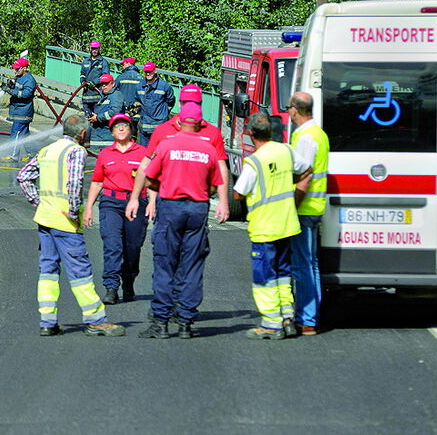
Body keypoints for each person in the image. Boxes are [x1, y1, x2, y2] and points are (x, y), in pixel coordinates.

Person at [17, 114, 125, 337]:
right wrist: (74, 210)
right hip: (64, 221)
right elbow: (74, 183)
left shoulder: (47, 150)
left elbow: (24, 176)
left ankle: (48, 321)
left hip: (45, 219)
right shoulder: (76, 152)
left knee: (48, 270)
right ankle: (96, 320)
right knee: (80, 271)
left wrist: (38, 201)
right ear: (83, 134)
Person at [126, 102, 225, 339]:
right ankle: (186, 322)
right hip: (198, 208)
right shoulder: (209, 148)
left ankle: (160, 321)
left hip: (171, 206)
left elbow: (149, 177)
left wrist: (166, 187)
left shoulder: (168, 145)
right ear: (200, 123)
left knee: (165, 262)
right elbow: (215, 184)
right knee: (192, 265)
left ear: (179, 122)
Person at [233, 112, 311, 340]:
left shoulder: (255, 161)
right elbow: (306, 169)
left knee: (264, 276)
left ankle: (271, 323)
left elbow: (238, 193)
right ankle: (287, 317)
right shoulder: (285, 151)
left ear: (251, 134)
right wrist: (290, 183)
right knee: (284, 273)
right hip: (287, 223)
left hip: (265, 227)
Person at [83, 113, 149, 304]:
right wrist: (89, 208)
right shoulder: (105, 154)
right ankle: (111, 287)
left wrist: (152, 203)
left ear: (131, 130)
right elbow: (96, 183)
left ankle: (129, 281)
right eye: (116, 126)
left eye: (124, 125)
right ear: (111, 131)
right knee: (112, 245)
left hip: (136, 204)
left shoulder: (142, 153)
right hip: (110, 203)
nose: (121, 128)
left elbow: (151, 181)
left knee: (133, 247)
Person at [143, 84, 230, 223]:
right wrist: (151, 200)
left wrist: (224, 202)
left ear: (201, 105)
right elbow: (150, 168)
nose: (190, 106)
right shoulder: (163, 130)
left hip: (197, 203)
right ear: (179, 103)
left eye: (195, 103)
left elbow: (222, 169)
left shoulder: (212, 133)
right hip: (168, 202)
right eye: (186, 102)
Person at [288, 91, 329, 336]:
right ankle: (312, 316)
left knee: (302, 266)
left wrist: (291, 207)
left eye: (289, 108)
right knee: (311, 265)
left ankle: (306, 319)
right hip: (317, 206)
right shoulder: (320, 134)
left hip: (304, 208)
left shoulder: (304, 137)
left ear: (295, 109)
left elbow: (303, 176)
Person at [2, 57, 37, 162]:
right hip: (17, 110)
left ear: (25, 68)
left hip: (23, 111)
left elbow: (27, 93)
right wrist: (10, 85)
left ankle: (13, 155)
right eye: (15, 68)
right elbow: (17, 87)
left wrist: (12, 91)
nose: (16, 70)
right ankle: (33, 154)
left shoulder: (29, 80)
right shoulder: (18, 77)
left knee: (16, 133)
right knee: (25, 134)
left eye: (18, 68)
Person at [136, 62, 175, 145]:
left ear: (155, 71)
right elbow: (137, 100)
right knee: (144, 153)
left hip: (159, 127)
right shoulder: (139, 86)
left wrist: (164, 112)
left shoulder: (164, 86)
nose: (148, 73)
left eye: (150, 71)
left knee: (159, 153)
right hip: (144, 127)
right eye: (146, 71)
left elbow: (171, 101)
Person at [87, 73, 124, 150]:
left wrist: (98, 117)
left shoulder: (116, 95)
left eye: (106, 83)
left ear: (113, 84)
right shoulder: (104, 96)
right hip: (99, 136)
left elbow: (115, 112)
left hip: (108, 137)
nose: (103, 86)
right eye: (102, 84)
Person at [79, 40, 108, 117]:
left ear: (99, 49)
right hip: (86, 96)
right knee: (87, 118)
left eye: (96, 49)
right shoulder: (85, 61)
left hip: (97, 96)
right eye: (93, 48)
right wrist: (82, 82)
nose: (94, 50)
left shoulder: (103, 62)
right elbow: (82, 74)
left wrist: (94, 83)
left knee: (96, 118)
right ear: (90, 48)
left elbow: (105, 77)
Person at [115, 56, 143, 128]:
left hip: (124, 110)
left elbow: (114, 91)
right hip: (136, 111)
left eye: (123, 64)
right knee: (133, 133)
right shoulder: (141, 78)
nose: (123, 66)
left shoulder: (121, 77)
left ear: (128, 64)